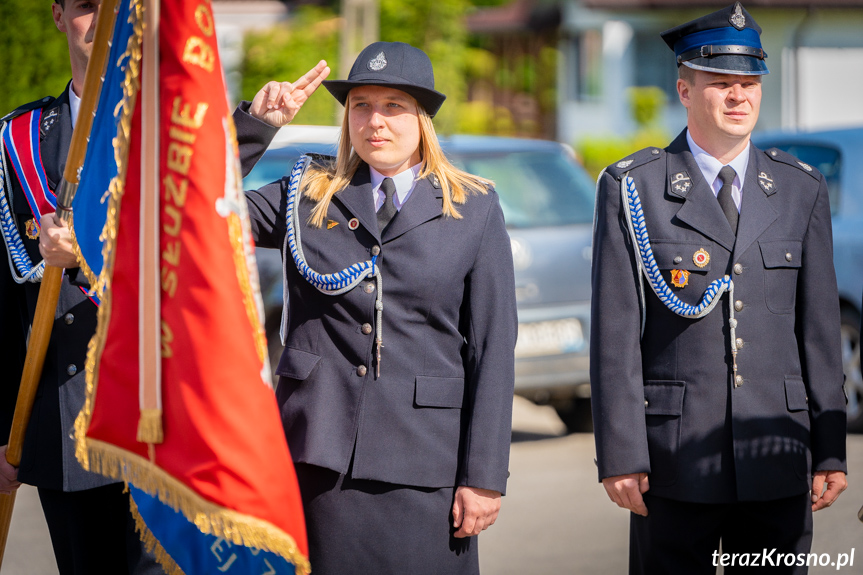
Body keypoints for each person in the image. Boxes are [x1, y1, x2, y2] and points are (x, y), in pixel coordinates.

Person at [0, 1, 326, 572]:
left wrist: (256, 122)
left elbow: (199, 205)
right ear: (57, 16)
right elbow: (6, 295)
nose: (98, 22)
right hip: (67, 419)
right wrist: (3, 428)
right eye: (83, 8)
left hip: (162, 409)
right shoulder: (18, 138)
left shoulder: (161, 128)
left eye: (111, 8)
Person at [238, 41, 518, 574]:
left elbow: (492, 347)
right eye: (361, 105)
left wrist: (483, 476)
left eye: (394, 106)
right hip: (319, 455)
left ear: (423, 118)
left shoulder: (474, 206)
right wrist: (255, 126)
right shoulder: (307, 193)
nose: (375, 121)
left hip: (425, 463)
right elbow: (197, 206)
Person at [589, 3, 847, 573]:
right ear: (684, 89)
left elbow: (821, 335)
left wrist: (830, 447)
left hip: (778, 459)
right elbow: (615, 338)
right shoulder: (636, 186)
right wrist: (622, 453)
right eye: (721, 83)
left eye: (749, 83)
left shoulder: (800, 189)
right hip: (676, 462)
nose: (739, 96)